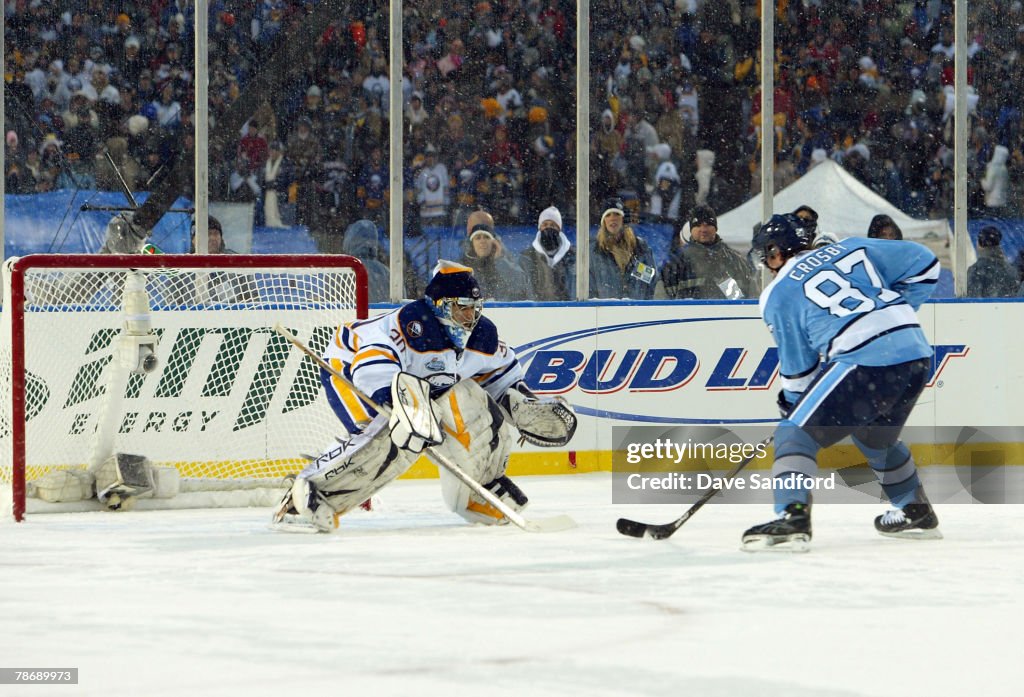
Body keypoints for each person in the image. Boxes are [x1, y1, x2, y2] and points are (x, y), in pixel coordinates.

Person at [273, 261, 577, 532]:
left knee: (480, 412)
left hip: (418, 386)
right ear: (440, 305)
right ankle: (306, 495)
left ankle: (479, 491)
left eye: (474, 307)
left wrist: (521, 402)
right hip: (349, 364)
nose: (470, 316)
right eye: (462, 307)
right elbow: (370, 366)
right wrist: (399, 408)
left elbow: (501, 372)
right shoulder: (410, 326)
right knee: (390, 437)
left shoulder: (481, 336)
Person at [742, 213, 942, 551]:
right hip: (914, 351)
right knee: (873, 434)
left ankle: (793, 516)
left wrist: (793, 407)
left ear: (776, 253)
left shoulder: (777, 294)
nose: (767, 264)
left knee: (795, 433)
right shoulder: (851, 247)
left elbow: (798, 368)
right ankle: (915, 510)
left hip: (866, 358)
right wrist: (892, 314)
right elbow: (927, 265)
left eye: (767, 255)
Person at [659, 205, 756, 299]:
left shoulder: (735, 261)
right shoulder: (674, 264)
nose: (703, 229)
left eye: (708, 224)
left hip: (728, 315)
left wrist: (724, 279)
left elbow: (745, 299)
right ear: (691, 230)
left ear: (716, 228)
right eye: (698, 224)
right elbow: (661, 304)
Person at [589, 198, 658, 299]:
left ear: (623, 219)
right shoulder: (594, 251)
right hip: (605, 312)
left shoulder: (640, 248)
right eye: (608, 215)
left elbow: (651, 281)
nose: (612, 218)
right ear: (603, 221)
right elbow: (589, 287)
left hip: (636, 311)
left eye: (616, 214)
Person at [460, 209, 528, 300]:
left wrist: (500, 261)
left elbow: (520, 286)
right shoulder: (462, 262)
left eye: (486, 237)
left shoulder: (506, 258)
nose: (482, 241)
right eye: (477, 237)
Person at [519, 206, 576, 301]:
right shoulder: (527, 257)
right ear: (539, 227)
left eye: (553, 225)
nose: (548, 228)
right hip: (537, 311)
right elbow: (525, 289)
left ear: (559, 229)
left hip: (568, 309)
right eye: (545, 224)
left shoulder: (573, 255)